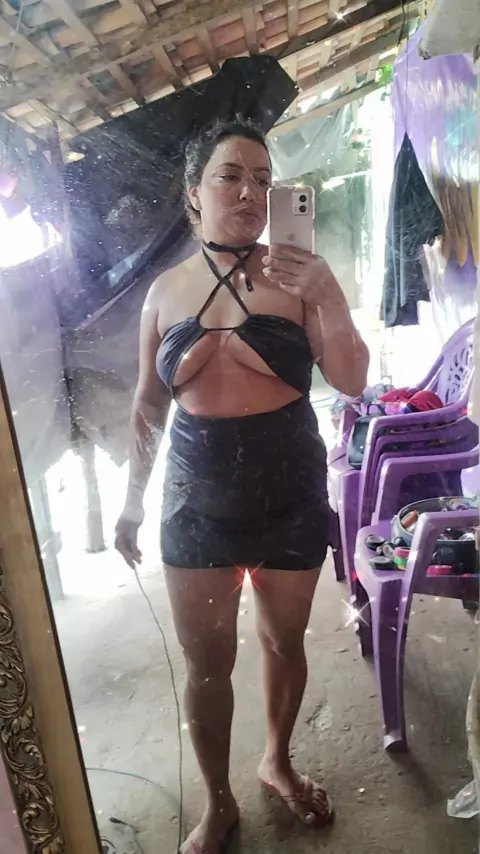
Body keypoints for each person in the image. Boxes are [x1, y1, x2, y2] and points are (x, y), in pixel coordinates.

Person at [115, 118, 369, 854]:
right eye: (230, 176)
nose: (250, 192)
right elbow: (147, 405)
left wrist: (328, 294)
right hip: (195, 502)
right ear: (194, 192)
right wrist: (132, 500)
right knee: (207, 663)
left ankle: (277, 761)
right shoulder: (163, 293)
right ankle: (219, 802)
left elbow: (352, 380)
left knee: (283, 641)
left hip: (290, 490)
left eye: (263, 179)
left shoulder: (300, 280)